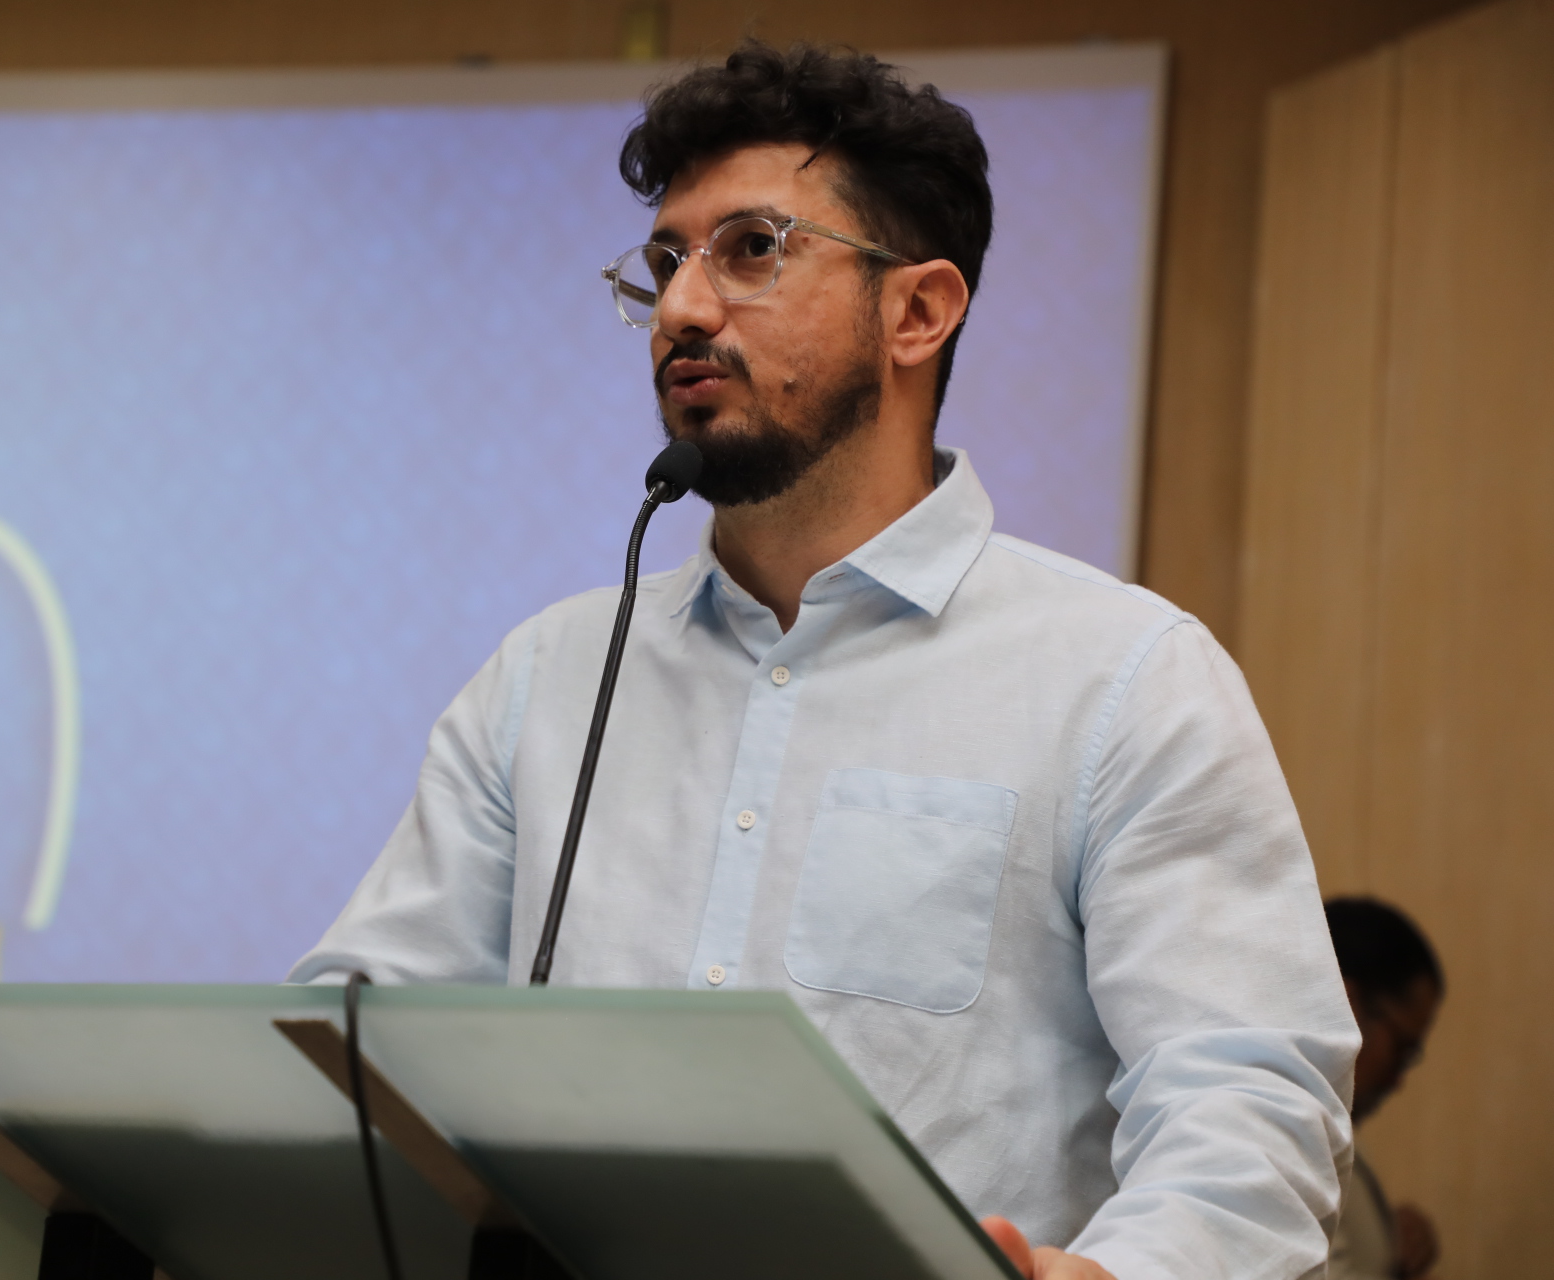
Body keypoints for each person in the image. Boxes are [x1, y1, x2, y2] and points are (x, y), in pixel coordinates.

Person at [291, 42, 1359, 1279]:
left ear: (918, 312)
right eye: (667, 261)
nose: (683, 309)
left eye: (752, 248)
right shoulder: (548, 678)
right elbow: (354, 1041)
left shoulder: (1124, 681)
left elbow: (1248, 1106)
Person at [1326, 897, 1445, 1280]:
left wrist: (1387, 1236)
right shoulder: (1282, 1134)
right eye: (1402, 1050)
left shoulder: (1332, 1127)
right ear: (1348, 1002)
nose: (1397, 1080)